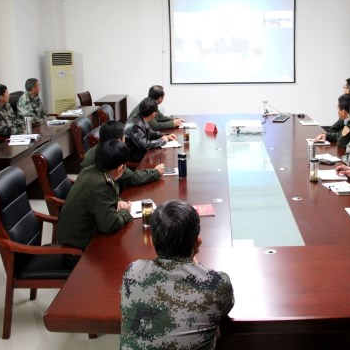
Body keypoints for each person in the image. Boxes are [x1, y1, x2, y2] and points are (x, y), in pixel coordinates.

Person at [120, 200, 234, 350]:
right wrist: (193, 263)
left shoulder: (133, 272)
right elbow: (222, 311)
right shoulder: (218, 284)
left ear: (153, 242)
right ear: (198, 241)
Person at [57, 140, 133, 257]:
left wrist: (118, 201)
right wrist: (125, 212)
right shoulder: (101, 185)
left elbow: (100, 197)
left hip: (77, 237)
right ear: (120, 169)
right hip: (77, 252)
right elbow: (110, 224)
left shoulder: (89, 171)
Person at [80, 120, 164, 188]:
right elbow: (130, 178)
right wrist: (155, 172)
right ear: (118, 140)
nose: (125, 139)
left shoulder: (100, 147)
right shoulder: (111, 153)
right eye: (124, 137)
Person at [125, 97, 176, 163]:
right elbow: (145, 145)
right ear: (153, 114)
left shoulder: (140, 116)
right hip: (134, 157)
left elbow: (150, 132)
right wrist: (162, 141)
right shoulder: (135, 125)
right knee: (162, 159)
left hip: (140, 152)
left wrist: (166, 135)